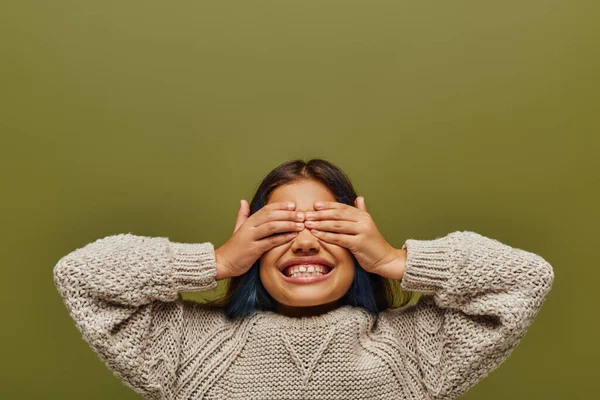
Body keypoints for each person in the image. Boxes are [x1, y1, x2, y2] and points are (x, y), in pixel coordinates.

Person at [53, 158, 555, 400]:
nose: (306, 241)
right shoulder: (189, 347)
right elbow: (79, 274)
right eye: (281, 227)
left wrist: (394, 260)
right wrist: (217, 262)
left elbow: (526, 277)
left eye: (328, 224)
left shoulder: (415, 349)